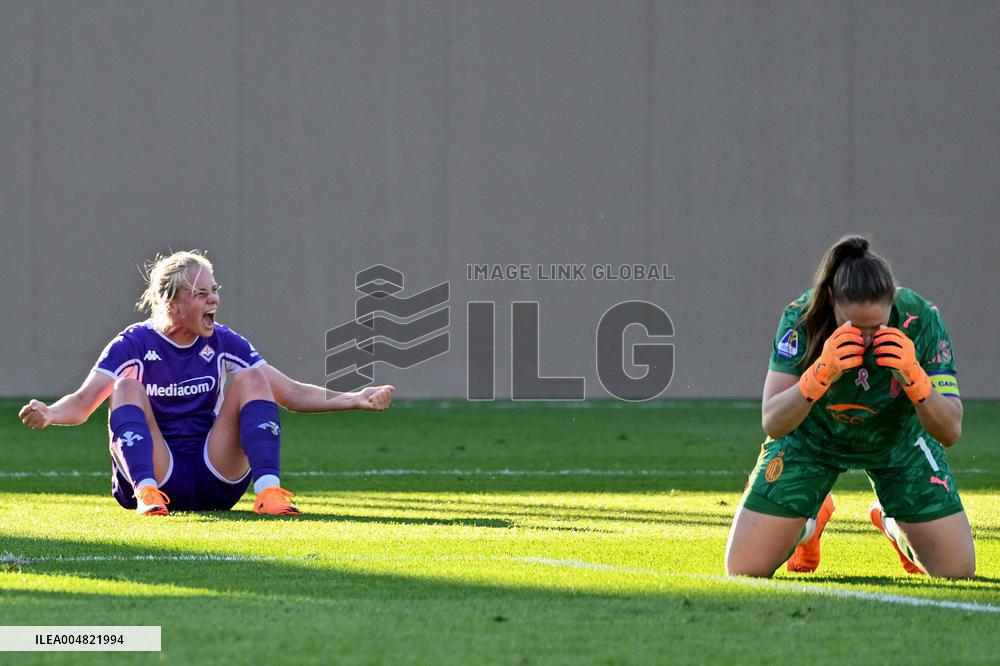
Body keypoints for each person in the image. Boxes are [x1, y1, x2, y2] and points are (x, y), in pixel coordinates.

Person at [18, 250, 394, 516]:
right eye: (201, 293)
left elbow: (290, 393)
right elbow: (83, 404)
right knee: (126, 387)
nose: (213, 299)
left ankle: (268, 493)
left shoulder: (222, 340)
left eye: (214, 290)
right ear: (171, 302)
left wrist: (355, 397)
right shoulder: (133, 343)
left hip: (215, 476)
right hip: (160, 470)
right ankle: (146, 492)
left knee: (252, 378)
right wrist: (49, 413)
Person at [724, 235, 974, 578]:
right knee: (744, 568)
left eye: (877, 326)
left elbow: (950, 430)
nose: (867, 338)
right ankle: (808, 522)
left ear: (892, 303)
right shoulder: (801, 318)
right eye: (854, 326)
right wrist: (818, 374)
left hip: (899, 443)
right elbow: (773, 421)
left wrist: (915, 378)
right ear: (831, 301)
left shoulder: (922, 319)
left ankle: (894, 525)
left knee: (957, 572)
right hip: (810, 441)